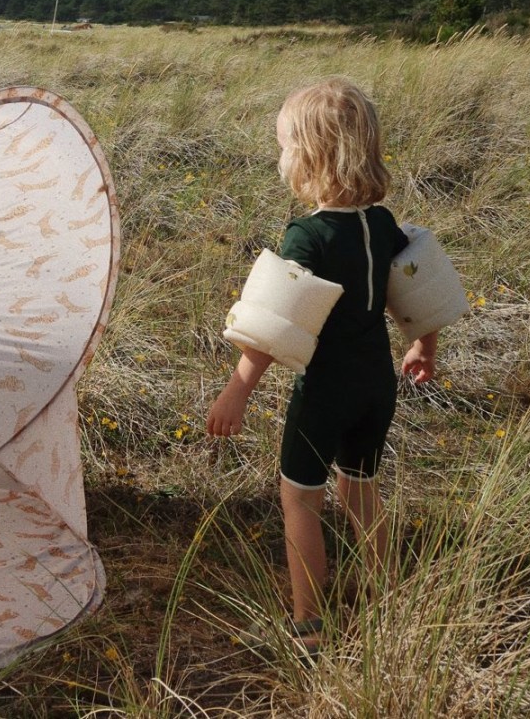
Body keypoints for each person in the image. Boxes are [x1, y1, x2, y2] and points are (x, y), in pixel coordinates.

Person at [206, 78, 437, 656]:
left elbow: (272, 323)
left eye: (284, 145)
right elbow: (423, 286)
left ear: (310, 156)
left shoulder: (307, 236)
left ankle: (309, 621)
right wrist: (423, 347)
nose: (280, 155)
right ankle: (388, 591)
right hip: (376, 387)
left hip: (326, 392)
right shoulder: (382, 224)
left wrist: (236, 391)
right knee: (361, 487)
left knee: (299, 497)